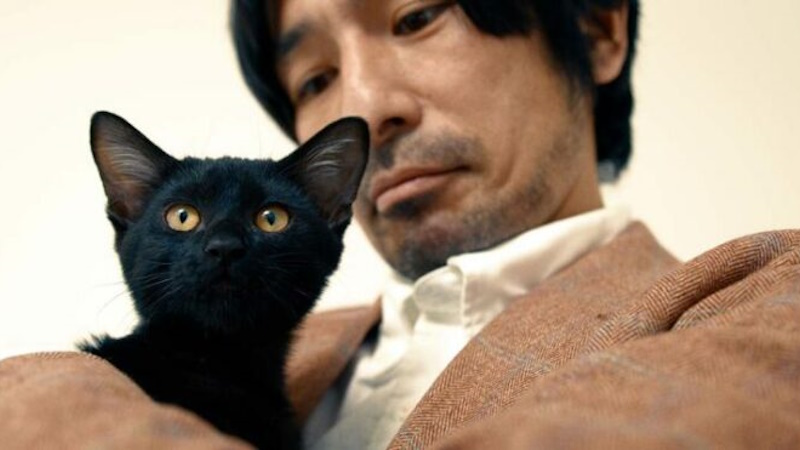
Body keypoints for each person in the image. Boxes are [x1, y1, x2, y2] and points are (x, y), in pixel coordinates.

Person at [0, 1, 797, 449]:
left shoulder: (759, 301)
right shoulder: (278, 346)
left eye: (415, 16)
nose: (366, 105)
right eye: (315, 77)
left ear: (595, 28)